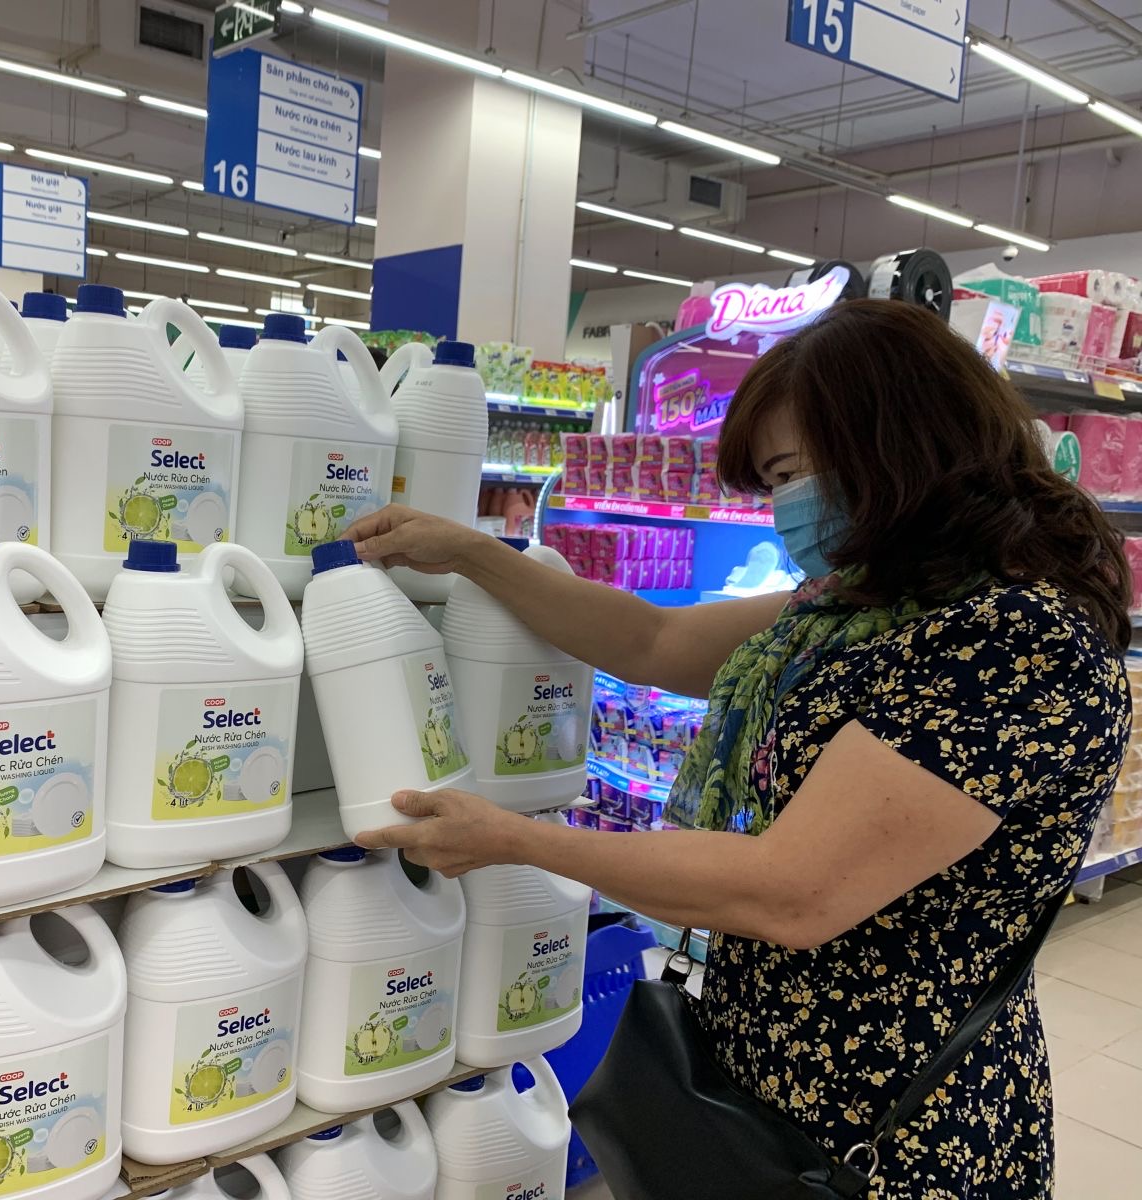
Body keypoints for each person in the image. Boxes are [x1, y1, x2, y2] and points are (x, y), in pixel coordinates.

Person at [344, 299, 1132, 1200]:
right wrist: (473, 554)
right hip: (762, 1078)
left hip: (889, 1125)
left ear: (900, 445)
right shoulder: (855, 606)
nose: (785, 507)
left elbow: (792, 890)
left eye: (791, 473)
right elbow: (653, 642)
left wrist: (516, 840)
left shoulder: (1013, 644)